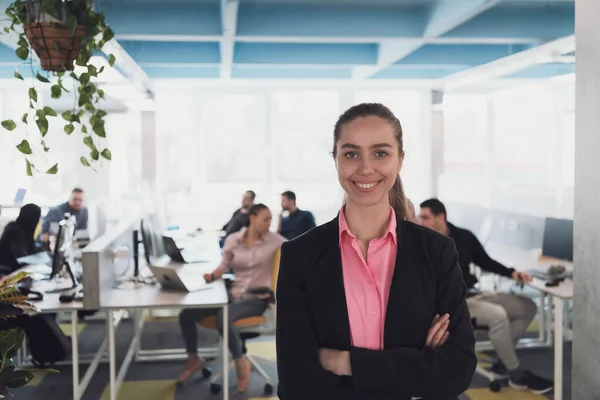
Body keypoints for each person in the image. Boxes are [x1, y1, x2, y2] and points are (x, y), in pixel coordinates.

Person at [276, 103, 476, 400]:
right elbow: (296, 383)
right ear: (335, 160)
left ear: (400, 160)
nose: (366, 168)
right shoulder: (299, 256)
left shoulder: (437, 251)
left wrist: (346, 363)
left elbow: (456, 369)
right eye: (351, 153)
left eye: (381, 153)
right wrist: (415, 368)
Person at [419, 198, 553, 394]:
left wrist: (512, 273)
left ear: (441, 217)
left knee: (528, 307)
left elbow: (486, 261)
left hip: (474, 293)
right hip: (454, 304)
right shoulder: (423, 241)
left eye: (425, 217)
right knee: (497, 314)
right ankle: (516, 373)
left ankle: (503, 361)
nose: (420, 221)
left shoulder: (463, 237)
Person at [178, 203, 285, 392]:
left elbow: (298, 247)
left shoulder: (274, 240)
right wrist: (211, 276)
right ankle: (193, 358)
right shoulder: (234, 239)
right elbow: (224, 266)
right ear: (252, 218)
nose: (269, 223)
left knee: (223, 317)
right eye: (265, 219)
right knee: (187, 315)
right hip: (234, 295)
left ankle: (239, 363)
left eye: (271, 219)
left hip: (257, 298)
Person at [0, 204, 42, 274]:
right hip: (8, 272)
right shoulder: (14, 231)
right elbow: (21, 258)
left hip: (16, 270)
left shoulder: (23, 230)